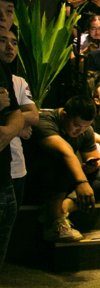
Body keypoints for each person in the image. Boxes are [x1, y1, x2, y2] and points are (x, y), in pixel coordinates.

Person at [24, 96, 100, 242]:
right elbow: (65, 152)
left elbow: (95, 157)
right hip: (36, 180)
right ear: (64, 115)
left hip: (63, 182)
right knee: (61, 160)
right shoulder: (44, 121)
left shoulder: (85, 130)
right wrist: (82, 182)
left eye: (86, 127)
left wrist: (91, 165)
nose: (80, 130)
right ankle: (53, 223)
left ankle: (62, 209)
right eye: (77, 125)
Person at [0, 0, 25, 288]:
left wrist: (7, 130)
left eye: (8, 12)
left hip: (4, 171)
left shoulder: (5, 69)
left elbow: (19, 114)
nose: (4, 18)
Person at [0, 25, 39, 206]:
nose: (10, 47)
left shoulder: (19, 81)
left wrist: (14, 126)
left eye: (14, 43)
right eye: (3, 40)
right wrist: (18, 128)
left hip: (17, 166)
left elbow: (34, 116)